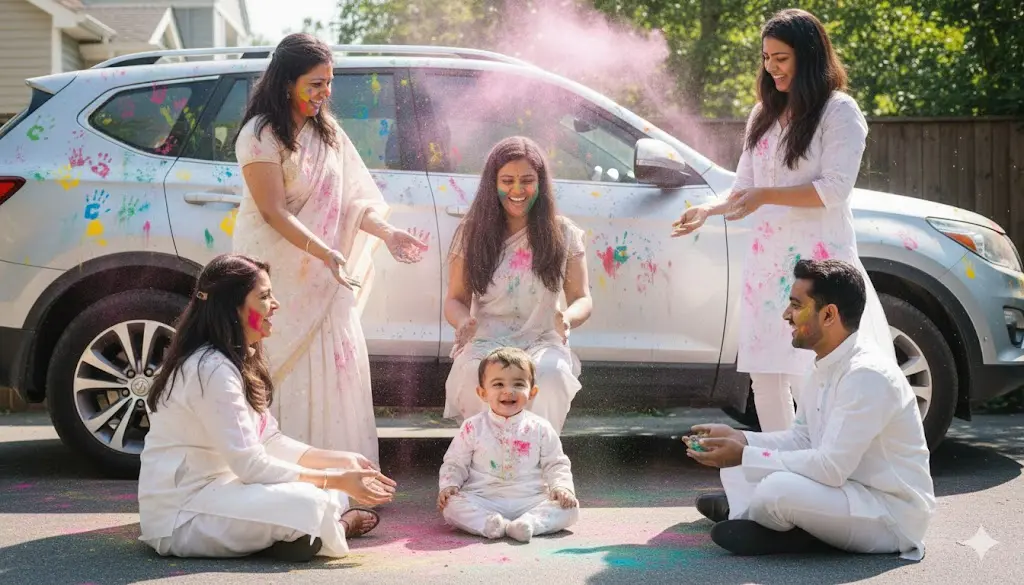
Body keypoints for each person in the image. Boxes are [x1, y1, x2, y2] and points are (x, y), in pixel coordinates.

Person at [670, 8, 897, 432]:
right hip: (767, 266)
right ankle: (778, 469)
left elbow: (833, 190)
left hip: (819, 266)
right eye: (766, 58)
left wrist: (764, 197)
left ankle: (824, 467)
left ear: (808, 57)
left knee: (811, 373)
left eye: (781, 58)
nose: (771, 67)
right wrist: (708, 210)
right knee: (766, 376)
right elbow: (743, 188)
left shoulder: (839, 112)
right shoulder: (763, 115)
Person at [232, 33, 428, 465]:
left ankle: (341, 483)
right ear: (287, 82)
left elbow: (355, 203)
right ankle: (283, 480)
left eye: (329, 82)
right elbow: (273, 212)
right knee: (282, 368)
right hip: (277, 274)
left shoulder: (328, 134)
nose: (326, 93)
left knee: (335, 371)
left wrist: (388, 233)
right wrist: (327, 253)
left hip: (328, 276)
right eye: (316, 83)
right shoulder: (260, 135)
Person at [138, 254, 398, 561]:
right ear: (231, 308)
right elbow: (250, 465)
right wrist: (336, 478)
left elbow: (269, 440)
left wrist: (342, 461)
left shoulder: (235, 359)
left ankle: (308, 533)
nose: (275, 304)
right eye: (264, 297)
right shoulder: (211, 369)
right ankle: (334, 527)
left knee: (327, 493)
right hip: (182, 516)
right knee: (312, 502)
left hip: (223, 493)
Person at [685, 259, 935, 560]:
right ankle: (756, 518)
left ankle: (765, 522)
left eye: (796, 305)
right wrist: (742, 440)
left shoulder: (867, 375)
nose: (786, 314)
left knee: (776, 487)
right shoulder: (823, 364)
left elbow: (830, 468)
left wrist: (746, 454)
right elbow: (802, 439)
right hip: (844, 492)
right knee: (741, 464)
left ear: (829, 314)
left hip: (887, 513)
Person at [443, 136, 593, 433]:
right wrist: (462, 322)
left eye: (526, 180)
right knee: (477, 372)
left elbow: (582, 298)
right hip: (487, 341)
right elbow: (455, 299)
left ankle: (540, 463)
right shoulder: (471, 232)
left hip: (542, 340)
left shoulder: (563, 233)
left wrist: (568, 319)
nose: (516, 190)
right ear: (492, 183)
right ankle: (485, 467)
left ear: (540, 183)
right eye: (507, 180)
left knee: (549, 375)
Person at [437, 347, 580, 542]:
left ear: (532, 392)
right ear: (482, 393)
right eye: (498, 384)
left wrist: (562, 488)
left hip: (530, 498)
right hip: (484, 497)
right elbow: (455, 462)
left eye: (519, 384)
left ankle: (528, 524)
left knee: (570, 509)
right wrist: (449, 484)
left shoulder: (540, 427)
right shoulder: (472, 427)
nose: (508, 390)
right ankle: (490, 524)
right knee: (451, 506)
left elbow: (556, 463)